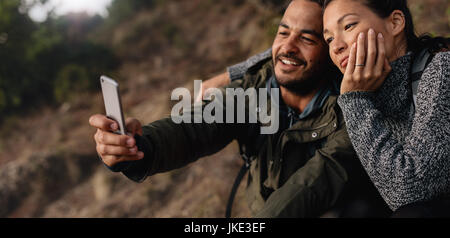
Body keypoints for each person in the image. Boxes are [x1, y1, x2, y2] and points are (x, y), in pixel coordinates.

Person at [89, 0, 387, 218]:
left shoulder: (354, 102)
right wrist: (139, 147)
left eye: (307, 39)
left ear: (334, 48)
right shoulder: (251, 90)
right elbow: (192, 129)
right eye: (283, 33)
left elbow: (321, 177)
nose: (288, 47)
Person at [321, 0, 450, 217]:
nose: (336, 46)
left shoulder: (441, 69)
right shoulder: (367, 93)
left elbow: (409, 191)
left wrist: (354, 101)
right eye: (329, 38)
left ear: (395, 23)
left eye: (349, 26)